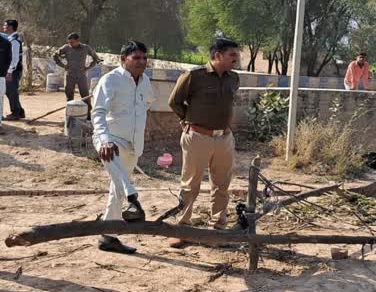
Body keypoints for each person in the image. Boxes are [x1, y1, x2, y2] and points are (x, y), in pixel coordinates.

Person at [168, 37, 240, 247]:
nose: (235, 59)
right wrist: (188, 122)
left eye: (236, 55)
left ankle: (217, 229)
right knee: (190, 184)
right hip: (198, 137)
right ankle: (182, 228)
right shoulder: (194, 76)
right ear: (217, 56)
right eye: (231, 55)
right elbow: (175, 102)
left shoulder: (233, 79)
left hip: (224, 139)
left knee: (222, 184)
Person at [92, 40, 154, 254]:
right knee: (122, 183)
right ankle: (134, 201)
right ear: (122, 59)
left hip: (133, 143)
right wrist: (104, 139)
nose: (142, 62)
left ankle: (108, 235)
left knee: (116, 190)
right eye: (136, 57)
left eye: (144, 58)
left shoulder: (145, 81)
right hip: (110, 140)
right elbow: (98, 112)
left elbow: (146, 107)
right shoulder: (110, 80)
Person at [53, 33, 100, 121]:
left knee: (85, 96)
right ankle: (70, 116)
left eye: (72, 42)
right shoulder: (66, 48)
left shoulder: (86, 48)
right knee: (69, 97)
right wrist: (63, 65)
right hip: (69, 75)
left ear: (78, 41)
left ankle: (88, 117)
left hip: (82, 76)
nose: (70, 44)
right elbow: (55, 56)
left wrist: (88, 67)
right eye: (69, 42)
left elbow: (96, 59)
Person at [3, 19, 25, 120]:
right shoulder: (10, 39)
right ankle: (19, 111)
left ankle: (15, 113)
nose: (4, 27)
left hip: (13, 71)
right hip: (12, 70)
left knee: (11, 91)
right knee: (11, 91)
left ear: (10, 27)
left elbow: (15, 59)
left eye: (5, 25)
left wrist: (9, 72)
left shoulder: (14, 41)